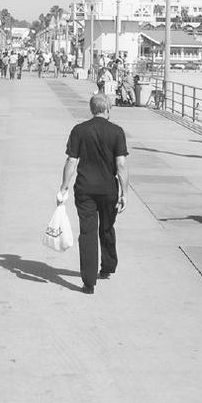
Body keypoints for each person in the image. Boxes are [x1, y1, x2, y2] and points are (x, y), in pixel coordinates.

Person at [58, 94, 132, 294]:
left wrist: (64, 186)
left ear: (92, 109)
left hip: (85, 189)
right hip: (108, 189)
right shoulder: (117, 132)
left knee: (88, 232)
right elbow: (121, 165)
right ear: (107, 109)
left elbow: (71, 162)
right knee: (107, 227)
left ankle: (89, 282)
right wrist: (125, 193)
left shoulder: (79, 130)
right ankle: (107, 266)